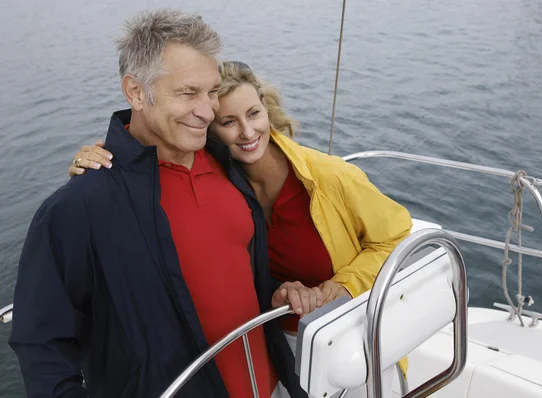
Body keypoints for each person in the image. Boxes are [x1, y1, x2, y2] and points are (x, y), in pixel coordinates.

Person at [9, 10, 307, 398]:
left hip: (270, 385)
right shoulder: (78, 207)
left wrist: (277, 290)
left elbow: (226, 269)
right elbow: (41, 346)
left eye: (212, 91)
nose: (208, 110)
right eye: (188, 93)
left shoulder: (228, 165)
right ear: (135, 91)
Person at [68, 61, 414, 374]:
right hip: (273, 345)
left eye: (253, 114)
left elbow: (397, 235)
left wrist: (342, 285)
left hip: (352, 336)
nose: (247, 133)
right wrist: (101, 160)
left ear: (268, 111)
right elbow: (151, 153)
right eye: (229, 122)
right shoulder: (220, 184)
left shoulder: (328, 177)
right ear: (209, 129)